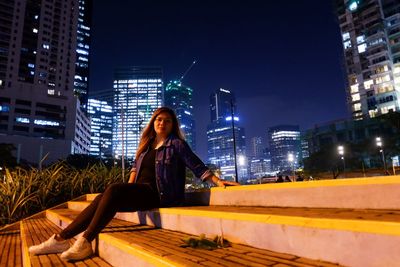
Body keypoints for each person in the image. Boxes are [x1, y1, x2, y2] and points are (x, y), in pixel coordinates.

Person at [29, 107, 239, 261]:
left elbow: (196, 165)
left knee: (111, 191)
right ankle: (60, 239)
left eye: (167, 120)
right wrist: (126, 189)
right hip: (141, 192)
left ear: (172, 125)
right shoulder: (146, 146)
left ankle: (85, 241)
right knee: (105, 196)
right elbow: (134, 170)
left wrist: (217, 181)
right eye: (158, 119)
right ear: (153, 123)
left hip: (161, 195)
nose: (162, 123)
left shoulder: (177, 144)